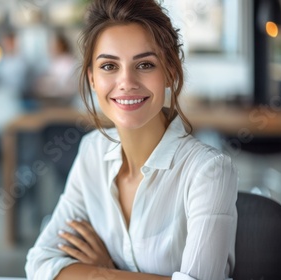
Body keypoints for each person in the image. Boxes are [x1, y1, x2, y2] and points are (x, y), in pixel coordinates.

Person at [25, 0, 238, 279]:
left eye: (145, 64)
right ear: (91, 78)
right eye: (109, 66)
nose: (126, 81)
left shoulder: (208, 171)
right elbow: (40, 263)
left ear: (170, 72)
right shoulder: (92, 152)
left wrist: (107, 271)